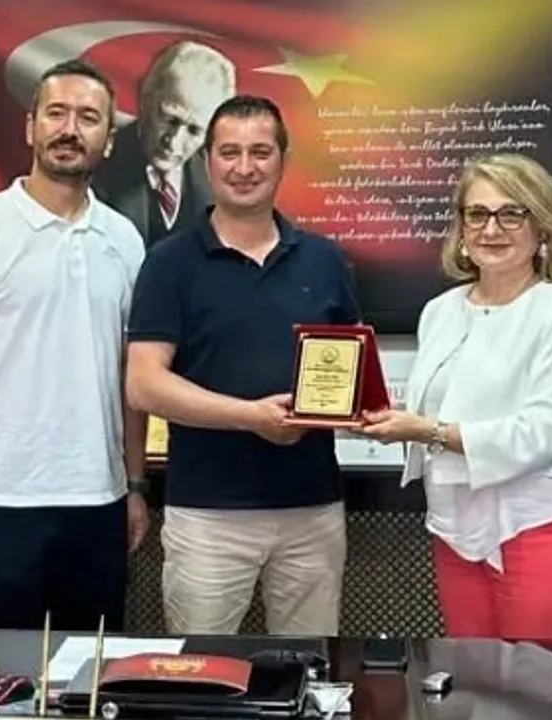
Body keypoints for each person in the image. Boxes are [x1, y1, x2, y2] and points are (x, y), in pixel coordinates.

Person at [0, 59, 149, 631]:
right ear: (30, 127)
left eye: (88, 118)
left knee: (90, 665)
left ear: (108, 139)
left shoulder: (125, 239)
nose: (70, 129)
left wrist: (134, 485)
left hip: (99, 500)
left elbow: (130, 375)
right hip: (2, 501)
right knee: (3, 669)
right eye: (56, 113)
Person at [125, 94, 359, 636]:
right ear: (207, 161)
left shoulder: (325, 259)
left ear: (283, 161)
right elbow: (143, 384)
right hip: (208, 518)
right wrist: (250, 416)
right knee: (202, 670)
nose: (245, 167)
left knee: (307, 667)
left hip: (312, 511)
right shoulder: (168, 262)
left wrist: (362, 408)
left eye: (260, 152)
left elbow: (347, 368)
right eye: (230, 152)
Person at [358, 153, 552, 653]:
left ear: (543, 226)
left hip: (541, 521)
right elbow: (435, 403)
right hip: (456, 523)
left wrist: (426, 431)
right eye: (477, 214)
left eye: (511, 214)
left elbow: (540, 433)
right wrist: (373, 419)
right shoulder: (440, 312)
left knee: (542, 676)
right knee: (473, 671)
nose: (491, 229)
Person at [93, 40, 235, 247]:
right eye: (169, 119)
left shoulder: (219, 182)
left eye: (194, 131)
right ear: (146, 98)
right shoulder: (95, 167)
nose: (174, 141)